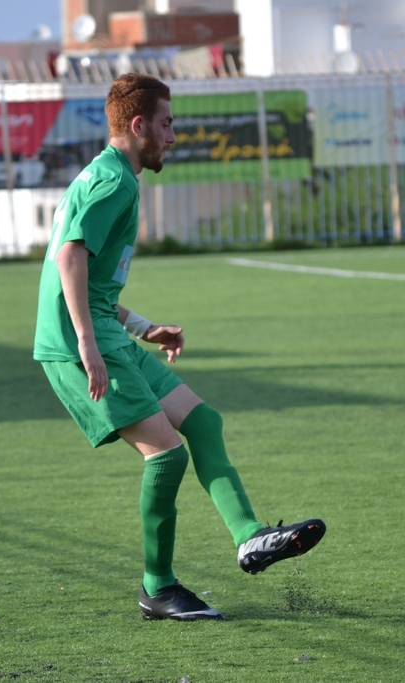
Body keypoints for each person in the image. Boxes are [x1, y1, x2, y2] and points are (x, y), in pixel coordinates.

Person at [33, 73, 325, 620]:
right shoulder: (114, 182)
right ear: (138, 125)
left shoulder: (107, 174)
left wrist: (143, 327)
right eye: (166, 124)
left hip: (104, 334)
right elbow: (68, 258)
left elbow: (90, 281)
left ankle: (249, 536)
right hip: (81, 345)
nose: (172, 135)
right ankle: (159, 588)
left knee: (203, 421)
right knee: (167, 456)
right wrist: (88, 344)